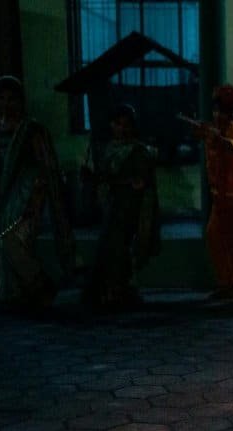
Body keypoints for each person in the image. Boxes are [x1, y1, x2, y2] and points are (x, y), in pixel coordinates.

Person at [0, 75, 74, 314]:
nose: (6, 104)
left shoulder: (31, 129)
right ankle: (15, 295)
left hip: (29, 191)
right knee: (7, 243)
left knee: (12, 239)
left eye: (12, 99)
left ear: (21, 101)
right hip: (10, 191)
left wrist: (35, 200)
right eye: (1, 98)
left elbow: (45, 167)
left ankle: (41, 286)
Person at [80, 104, 159, 311]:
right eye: (117, 124)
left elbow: (140, 183)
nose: (122, 129)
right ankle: (110, 293)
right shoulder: (109, 148)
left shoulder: (138, 151)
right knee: (109, 249)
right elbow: (104, 177)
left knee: (121, 249)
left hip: (130, 207)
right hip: (113, 206)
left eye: (126, 124)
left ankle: (122, 292)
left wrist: (119, 183)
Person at [195, 84, 233, 300]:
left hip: (232, 194)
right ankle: (229, 282)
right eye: (216, 110)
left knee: (228, 239)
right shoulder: (215, 130)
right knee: (217, 236)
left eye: (222, 111)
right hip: (221, 193)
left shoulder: (231, 130)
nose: (218, 115)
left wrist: (219, 139)